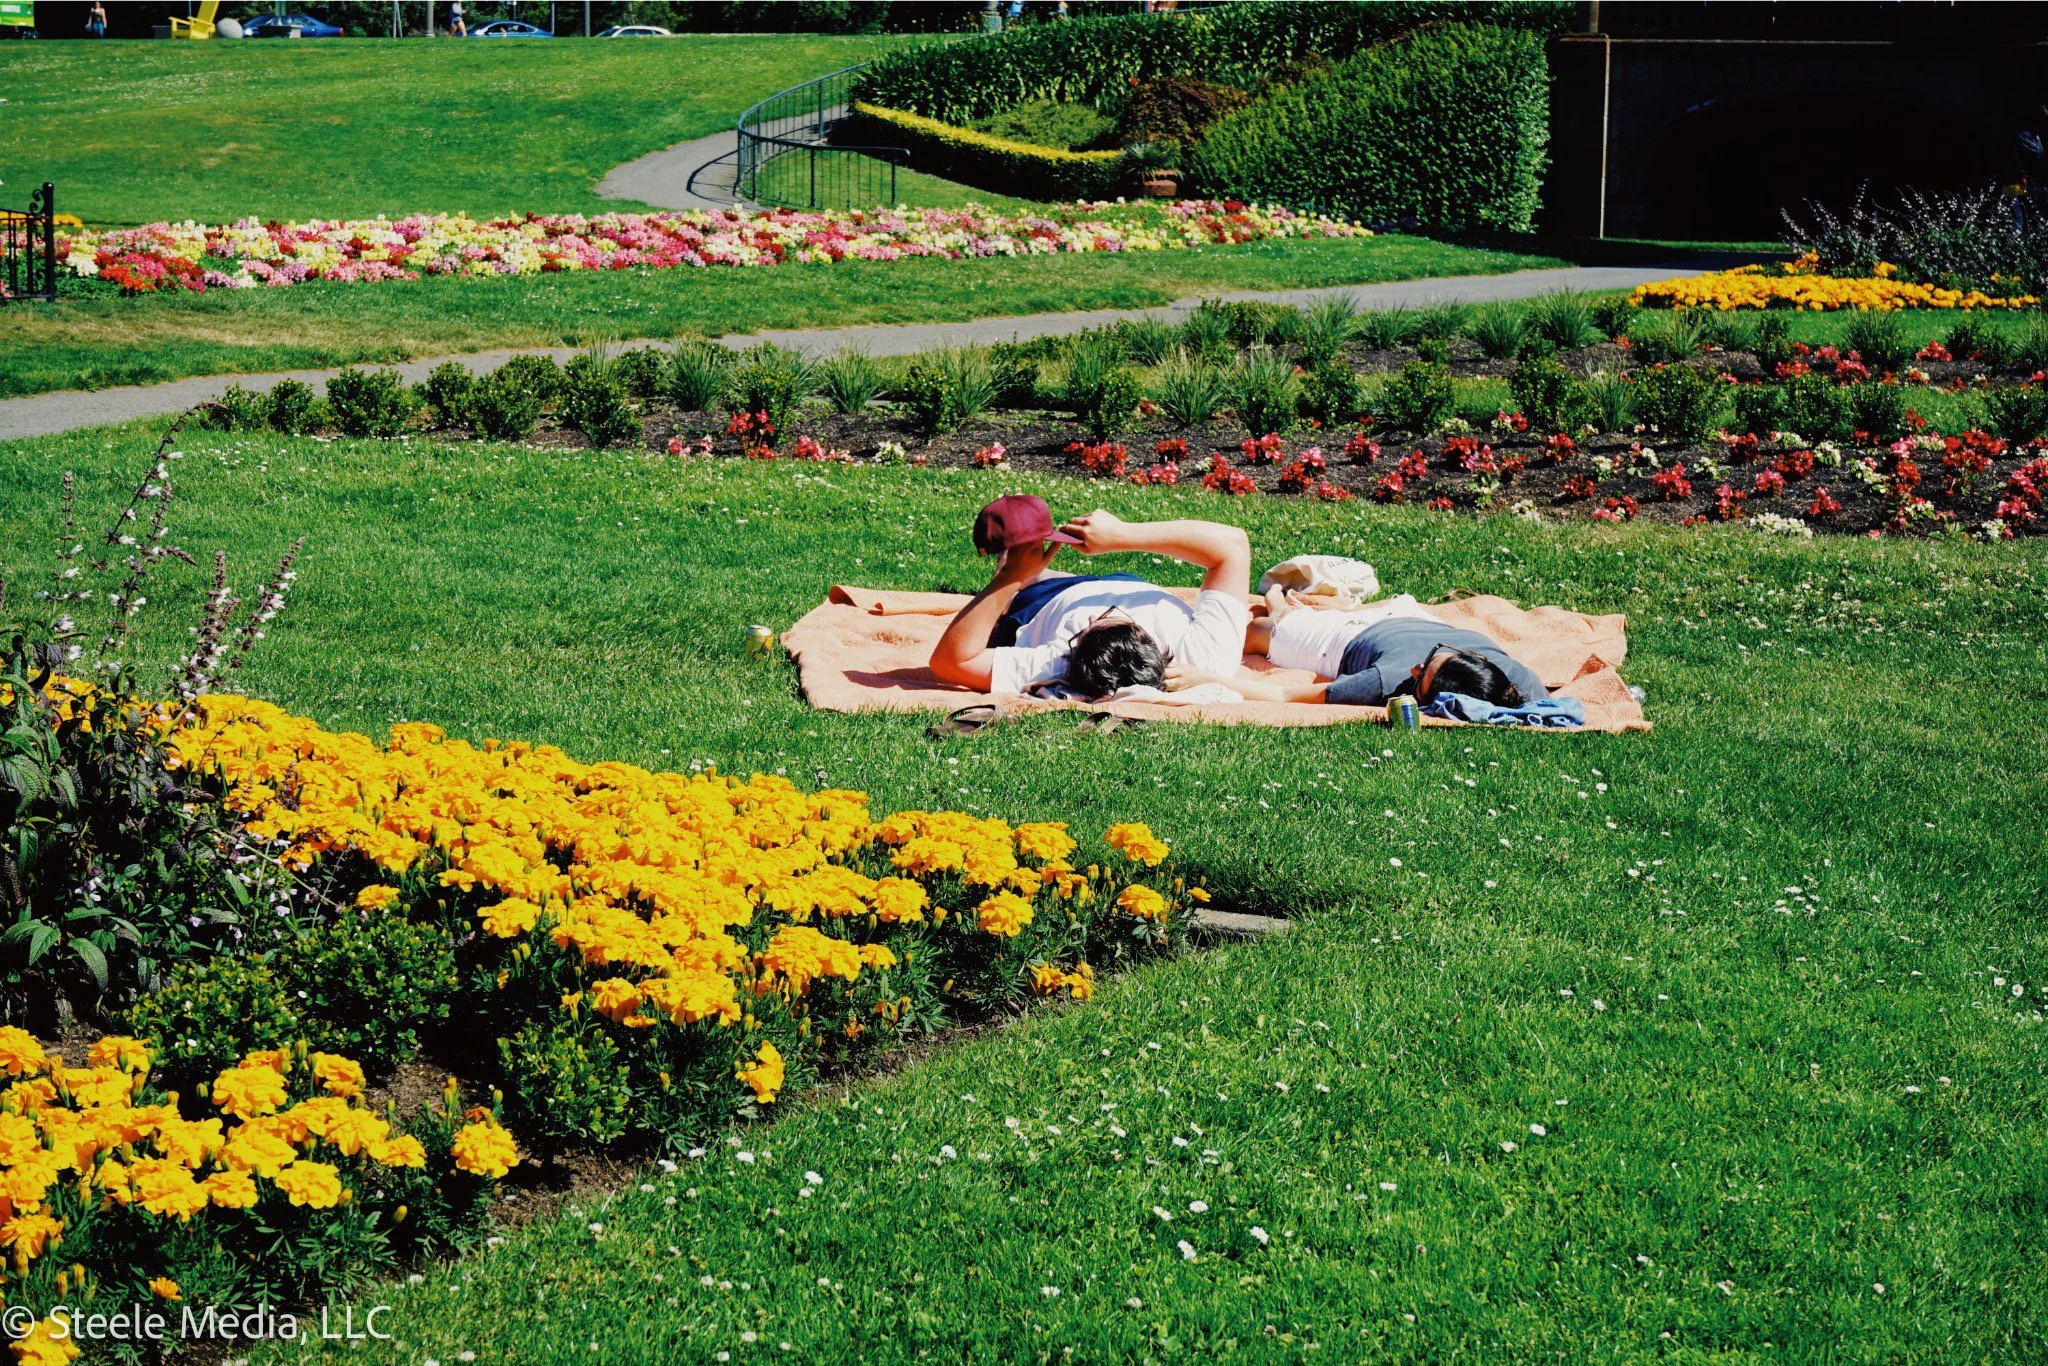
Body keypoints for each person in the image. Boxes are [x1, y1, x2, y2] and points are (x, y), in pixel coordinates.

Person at [929, 495, 1250, 700]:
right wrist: (1122, 535)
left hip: (1043, 603)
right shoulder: (1204, 660)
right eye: (1120, 618)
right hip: (1131, 585)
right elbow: (1232, 546)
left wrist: (1011, 578)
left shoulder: (1055, 664)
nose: (1097, 613)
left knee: (1018, 573)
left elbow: (951, 660)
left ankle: (1015, 571)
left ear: (1073, 649)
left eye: (1092, 624)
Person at [1170, 587, 1548, 708]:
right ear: (1475, 659)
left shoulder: (1387, 680)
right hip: (1384, 621)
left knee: (1252, 633)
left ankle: (1281, 602)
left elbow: (1284, 695)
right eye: (1431, 659)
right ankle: (1278, 599)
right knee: (1263, 627)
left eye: (1421, 679)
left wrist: (1205, 675)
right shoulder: (1510, 680)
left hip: (1368, 630)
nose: (1416, 668)